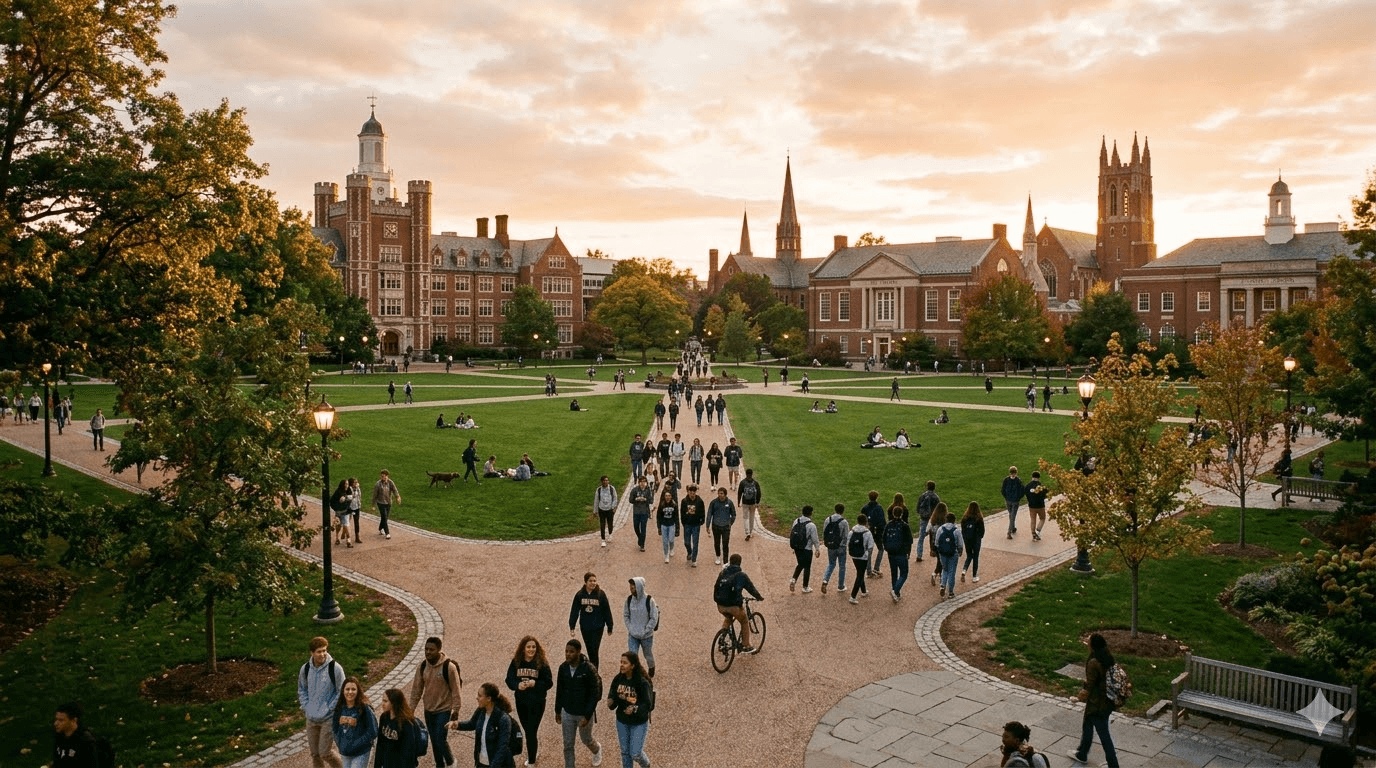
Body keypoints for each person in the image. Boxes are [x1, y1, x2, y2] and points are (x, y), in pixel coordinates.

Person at [410, 637, 463, 768]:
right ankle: (440, 764)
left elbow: (456, 690)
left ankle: (450, 762)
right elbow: (416, 690)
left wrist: (455, 711)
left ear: (439, 650)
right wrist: (410, 710)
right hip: (428, 710)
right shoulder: (422, 666)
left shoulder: (449, 667)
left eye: (431, 650)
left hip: (444, 710)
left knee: (440, 739)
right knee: (434, 740)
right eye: (426, 649)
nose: (428, 652)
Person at [1070, 634, 1120, 768]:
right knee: (1087, 726)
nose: (1087, 644)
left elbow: (1091, 685)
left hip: (1097, 704)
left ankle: (1113, 765)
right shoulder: (1107, 657)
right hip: (1107, 701)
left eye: (1088, 642)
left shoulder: (1093, 662)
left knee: (1104, 735)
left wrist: (1082, 694)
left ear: (1092, 645)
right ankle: (1082, 753)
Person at [505, 636, 554, 768]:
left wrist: (535, 683)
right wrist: (517, 685)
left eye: (533, 647)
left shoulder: (542, 663)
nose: (531, 649)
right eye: (528, 647)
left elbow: (549, 682)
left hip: (537, 703)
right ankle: (533, 752)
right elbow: (509, 680)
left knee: (531, 731)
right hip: (521, 702)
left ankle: (532, 760)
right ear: (523, 648)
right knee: (528, 730)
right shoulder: (516, 662)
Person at [555, 639, 604, 768]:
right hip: (567, 713)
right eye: (566, 651)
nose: (567, 654)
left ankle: (597, 749)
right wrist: (557, 711)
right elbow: (559, 690)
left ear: (578, 652)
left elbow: (594, 694)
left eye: (571, 652)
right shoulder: (563, 668)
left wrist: (587, 716)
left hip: (583, 714)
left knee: (586, 739)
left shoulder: (588, 669)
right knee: (568, 745)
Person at [298, 636, 345, 768]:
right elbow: (302, 689)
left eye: (324, 650)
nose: (322, 654)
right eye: (319, 651)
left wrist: (330, 708)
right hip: (311, 718)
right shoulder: (305, 669)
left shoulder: (335, 668)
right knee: (315, 754)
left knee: (325, 752)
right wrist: (307, 707)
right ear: (312, 653)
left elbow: (342, 690)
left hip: (328, 718)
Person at [606, 652, 654, 768]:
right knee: (625, 753)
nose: (621, 665)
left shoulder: (642, 682)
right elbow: (612, 698)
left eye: (625, 663)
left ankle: (646, 764)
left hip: (639, 722)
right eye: (621, 662)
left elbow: (648, 704)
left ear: (632, 666)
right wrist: (611, 701)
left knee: (635, 753)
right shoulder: (618, 679)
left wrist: (634, 709)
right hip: (622, 721)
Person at [450, 683, 516, 768]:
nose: (477, 698)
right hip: (482, 762)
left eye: (480, 696)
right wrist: (457, 725)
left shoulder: (503, 719)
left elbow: (502, 749)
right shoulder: (480, 711)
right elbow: (472, 724)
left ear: (488, 698)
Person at [713, 553, 764, 652]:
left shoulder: (723, 572)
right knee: (744, 621)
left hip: (720, 605)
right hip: (733, 606)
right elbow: (751, 588)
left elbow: (716, 587)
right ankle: (746, 645)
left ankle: (722, 637)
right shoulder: (741, 575)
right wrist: (759, 597)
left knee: (728, 617)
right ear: (740, 563)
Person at [568, 573, 614, 670]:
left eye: (594, 581)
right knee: (590, 649)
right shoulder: (580, 595)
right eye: (590, 581)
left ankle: (594, 671)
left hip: (598, 627)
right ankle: (592, 670)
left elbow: (606, 610)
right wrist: (572, 626)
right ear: (585, 582)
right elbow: (574, 611)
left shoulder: (601, 594)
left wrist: (610, 625)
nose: (593, 583)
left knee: (594, 649)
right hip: (585, 627)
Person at [332, 676, 379, 768]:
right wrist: (340, 743)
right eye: (347, 689)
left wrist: (356, 744)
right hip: (345, 752)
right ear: (343, 691)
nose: (350, 692)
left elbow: (373, 731)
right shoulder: (339, 708)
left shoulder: (365, 708)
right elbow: (334, 727)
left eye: (353, 689)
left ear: (358, 691)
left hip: (361, 753)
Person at [375, 688, 426, 768]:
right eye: (382, 700)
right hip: (387, 763)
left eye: (385, 701)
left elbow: (409, 750)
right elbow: (380, 743)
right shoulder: (383, 717)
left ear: (394, 702)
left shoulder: (406, 723)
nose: (382, 704)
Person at [623, 577, 660, 678]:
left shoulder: (649, 600)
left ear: (639, 587)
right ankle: (635, 674)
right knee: (632, 656)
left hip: (646, 636)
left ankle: (651, 667)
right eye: (630, 588)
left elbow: (654, 618)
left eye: (633, 588)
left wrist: (646, 630)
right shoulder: (629, 600)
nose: (631, 590)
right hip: (633, 635)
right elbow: (626, 615)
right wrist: (630, 628)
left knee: (647, 654)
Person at [52, 701, 101, 768]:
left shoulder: (86, 742)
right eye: (56, 719)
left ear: (74, 720)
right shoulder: (59, 738)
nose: (56, 723)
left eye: (61, 720)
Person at [884, 498, 913, 602]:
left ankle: (896, 592)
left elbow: (884, 538)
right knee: (904, 573)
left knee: (894, 573)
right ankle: (895, 590)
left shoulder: (888, 524)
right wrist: (908, 553)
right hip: (901, 553)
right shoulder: (905, 526)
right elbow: (909, 541)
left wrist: (887, 549)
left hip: (891, 553)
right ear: (901, 514)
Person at [787, 505, 820, 593]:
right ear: (810, 513)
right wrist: (817, 549)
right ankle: (805, 587)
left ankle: (794, 579)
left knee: (800, 564)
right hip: (807, 549)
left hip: (797, 548)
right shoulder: (811, 525)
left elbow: (793, 534)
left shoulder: (796, 521)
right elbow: (815, 539)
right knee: (807, 567)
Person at [819, 503, 850, 595]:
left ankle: (825, 580)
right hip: (841, 547)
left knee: (831, 564)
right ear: (842, 511)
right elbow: (846, 536)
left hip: (831, 546)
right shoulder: (844, 522)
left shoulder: (827, 520)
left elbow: (825, 532)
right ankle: (841, 585)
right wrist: (843, 545)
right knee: (842, 566)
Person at [935, 510, 964, 599]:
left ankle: (942, 585)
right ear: (954, 520)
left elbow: (936, 542)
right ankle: (950, 592)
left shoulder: (940, 529)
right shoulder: (957, 530)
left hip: (943, 553)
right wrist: (960, 551)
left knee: (944, 569)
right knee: (952, 571)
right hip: (953, 553)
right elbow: (960, 544)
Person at [846, 513, 875, 604]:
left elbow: (848, 542)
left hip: (854, 555)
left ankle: (864, 591)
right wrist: (868, 556)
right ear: (865, 522)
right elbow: (870, 547)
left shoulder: (852, 531)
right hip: (863, 556)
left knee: (859, 572)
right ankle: (853, 596)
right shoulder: (867, 532)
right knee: (860, 575)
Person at [707, 486, 736, 566]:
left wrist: (730, 523)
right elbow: (709, 514)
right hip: (716, 526)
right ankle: (718, 556)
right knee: (717, 542)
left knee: (725, 543)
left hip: (726, 527)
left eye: (722, 493)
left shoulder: (729, 503)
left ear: (725, 494)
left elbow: (733, 514)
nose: (720, 495)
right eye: (719, 493)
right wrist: (707, 525)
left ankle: (726, 560)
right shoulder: (713, 502)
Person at [679, 484, 705, 568]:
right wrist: (683, 522)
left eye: (694, 492)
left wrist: (702, 521)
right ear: (688, 492)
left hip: (696, 524)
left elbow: (702, 511)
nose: (692, 493)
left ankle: (694, 559)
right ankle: (689, 552)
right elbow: (682, 512)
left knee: (695, 542)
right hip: (687, 524)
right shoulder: (684, 501)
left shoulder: (699, 501)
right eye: (690, 492)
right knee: (686, 542)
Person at [960, 502, 986, 584]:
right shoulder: (979, 518)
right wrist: (980, 537)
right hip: (976, 539)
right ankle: (974, 576)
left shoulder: (964, 518)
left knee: (969, 555)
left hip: (967, 540)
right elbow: (982, 531)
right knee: (975, 557)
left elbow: (962, 530)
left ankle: (964, 570)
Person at [915, 481, 940, 562]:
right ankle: (935, 552)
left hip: (924, 518)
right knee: (935, 536)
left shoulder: (923, 496)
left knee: (921, 537)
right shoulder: (936, 497)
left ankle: (919, 555)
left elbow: (918, 508)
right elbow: (939, 509)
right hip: (933, 519)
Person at [373, 469, 401, 540]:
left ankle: (380, 528)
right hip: (381, 503)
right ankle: (387, 533)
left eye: (384, 476)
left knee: (385, 517)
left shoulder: (390, 483)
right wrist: (373, 505)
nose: (383, 478)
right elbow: (375, 495)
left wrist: (397, 497)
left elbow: (395, 490)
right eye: (382, 476)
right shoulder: (378, 484)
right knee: (384, 517)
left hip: (388, 503)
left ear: (387, 476)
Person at [736, 467, 761, 541]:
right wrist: (757, 502)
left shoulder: (743, 482)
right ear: (752, 474)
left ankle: (747, 533)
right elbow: (759, 493)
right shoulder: (755, 483)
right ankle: (751, 531)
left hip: (745, 502)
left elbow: (739, 493)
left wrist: (738, 501)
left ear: (746, 474)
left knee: (745, 517)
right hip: (753, 503)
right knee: (752, 517)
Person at [593, 475, 618, 548]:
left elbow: (615, 498)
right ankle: (603, 540)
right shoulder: (599, 490)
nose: (605, 482)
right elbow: (596, 500)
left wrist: (613, 507)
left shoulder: (611, 489)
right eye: (604, 481)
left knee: (610, 523)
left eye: (607, 480)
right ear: (601, 482)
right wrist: (595, 510)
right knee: (602, 525)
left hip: (610, 509)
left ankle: (610, 534)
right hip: (602, 509)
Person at [655, 490, 679, 563]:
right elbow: (658, 516)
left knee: (671, 540)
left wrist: (677, 528)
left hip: (672, 525)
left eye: (669, 496)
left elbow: (676, 517)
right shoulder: (662, 505)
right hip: (664, 525)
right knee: (665, 542)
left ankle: (671, 548)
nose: (668, 497)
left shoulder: (674, 505)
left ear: (671, 496)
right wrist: (659, 527)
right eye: (666, 496)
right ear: (664, 497)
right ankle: (666, 555)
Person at [1024, 471, 1048, 541]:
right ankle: (1038, 531)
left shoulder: (1028, 486)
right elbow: (1045, 494)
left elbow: (1026, 494)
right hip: (1040, 506)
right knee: (1042, 519)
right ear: (1039, 477)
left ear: (1032, 477)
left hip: (1032, 506)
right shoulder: (1041, 486)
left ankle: (1033, 533)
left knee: (1033, 520)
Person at [1001, 466, 1024, 539]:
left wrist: (1006, 497)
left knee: (1011, 515)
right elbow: (1022, 490)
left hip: (1008, 500)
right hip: (1015, 501)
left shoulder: (1006, 480)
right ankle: (1009, 531)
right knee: (1012, 516)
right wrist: (1018, 497)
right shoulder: (1018, 481)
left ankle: (1012, 528)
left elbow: (1003, 490)